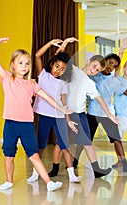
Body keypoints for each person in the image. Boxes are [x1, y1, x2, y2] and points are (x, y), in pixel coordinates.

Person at [0, 37, 69, 191]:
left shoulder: (32, 84)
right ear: (12, 65)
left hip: (26, 125)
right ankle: (9, 181)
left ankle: (49, 183)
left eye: (27, 63)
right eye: (20, 63)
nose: (24, 66)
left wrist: (63, 109)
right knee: (9, 155)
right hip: (10, 124)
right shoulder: (7, 78)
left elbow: (48, 98)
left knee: (34, 155)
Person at [47, 37, 116, 178]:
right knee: (61, 143)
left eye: (97, 70)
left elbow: (100, 99)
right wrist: (65, 44)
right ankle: (54, 168)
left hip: (80, 115)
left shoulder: (90, 84)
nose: (94, 70)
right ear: (89, 61)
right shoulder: (73, 70)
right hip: (65, 113)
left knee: (87, 143)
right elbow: (57, 58)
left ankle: (96, 170)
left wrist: (109, 115)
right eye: (94, 65)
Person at [27, 38, 81, 183]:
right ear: (51, 65)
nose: (58, 71)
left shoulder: (63, 83)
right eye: (57, 66)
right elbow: (38, 56)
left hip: (59, 117)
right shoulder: (43, 75)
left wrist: (68, 119)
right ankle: (35, 173)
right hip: (44, 116)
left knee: (64, 146)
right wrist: (51, 44)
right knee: (40, 146)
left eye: (63, 69)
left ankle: (71, 175)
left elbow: (64, 102)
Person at [87, 53, 127, 173]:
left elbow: (124, 91)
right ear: (105, 61)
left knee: (116, 139)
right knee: (86, 140)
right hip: (92, 113)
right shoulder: (94, 75)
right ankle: (73, 164)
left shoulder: (113, 80)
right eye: (110, 63)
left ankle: (124, 164)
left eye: (114, 66)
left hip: (107, 114)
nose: (111, 67)